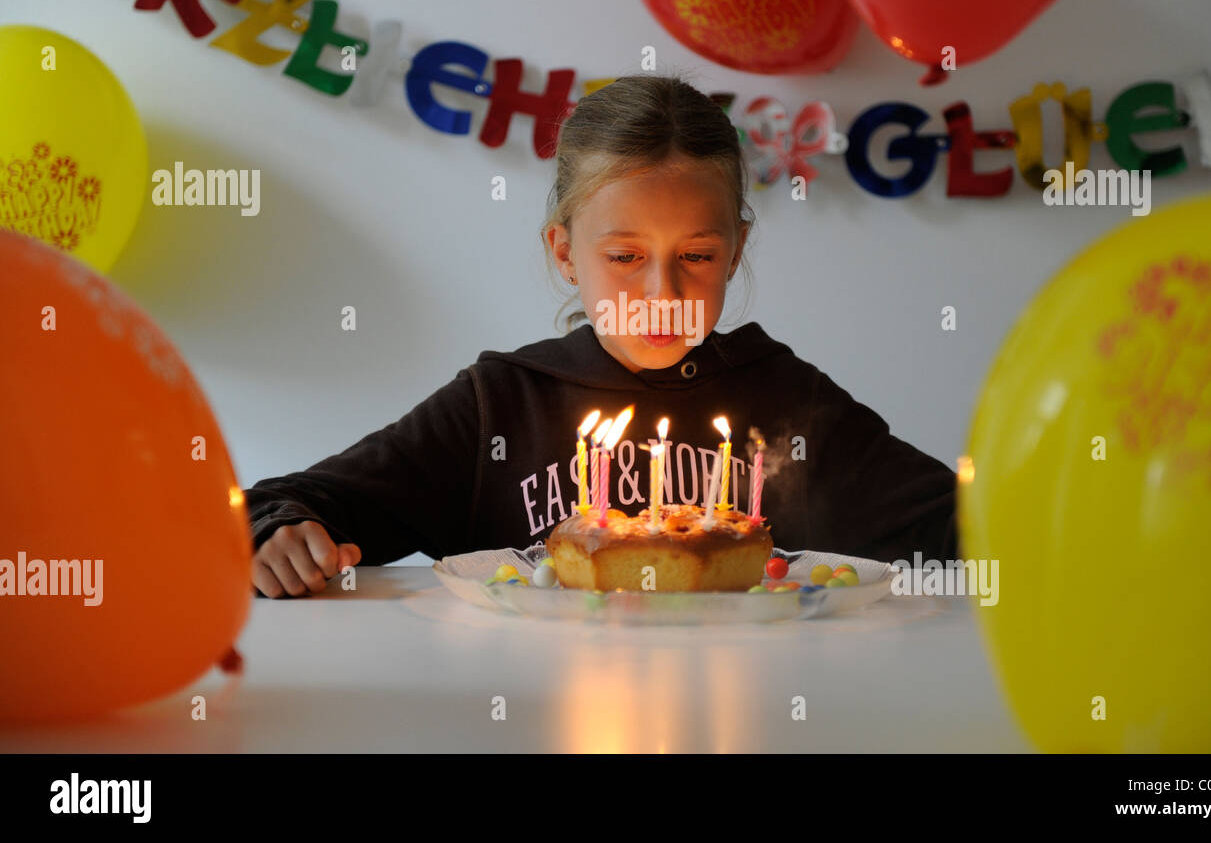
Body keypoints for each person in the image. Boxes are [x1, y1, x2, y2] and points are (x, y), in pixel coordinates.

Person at [245, 74, 957, 598]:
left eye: (698, 256)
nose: (663, 295)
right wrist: (280, 534)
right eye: (624, 258)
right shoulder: (502, 404)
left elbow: (967, 529)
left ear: (736, 251)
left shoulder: (787, 403)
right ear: (564, 251)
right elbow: (295, 500)